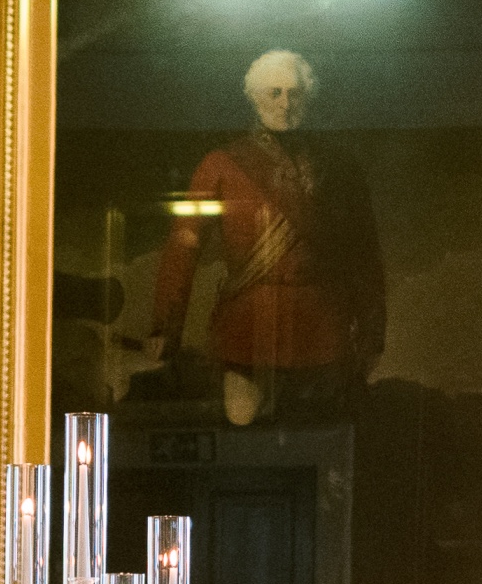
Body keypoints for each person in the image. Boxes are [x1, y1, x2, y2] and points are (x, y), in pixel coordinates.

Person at [142, 48, 389, 426]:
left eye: (295, 93)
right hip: (247, 329)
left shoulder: (339, 167)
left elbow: (364, 253)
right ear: (254, 97)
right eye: (275, 93)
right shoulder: (221, 164)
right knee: (244, 432)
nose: (285, 104)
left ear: (308, 98)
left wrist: (372, 331)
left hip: (322, 330)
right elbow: (183, 249)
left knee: (319, 436)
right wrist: (165, 327)